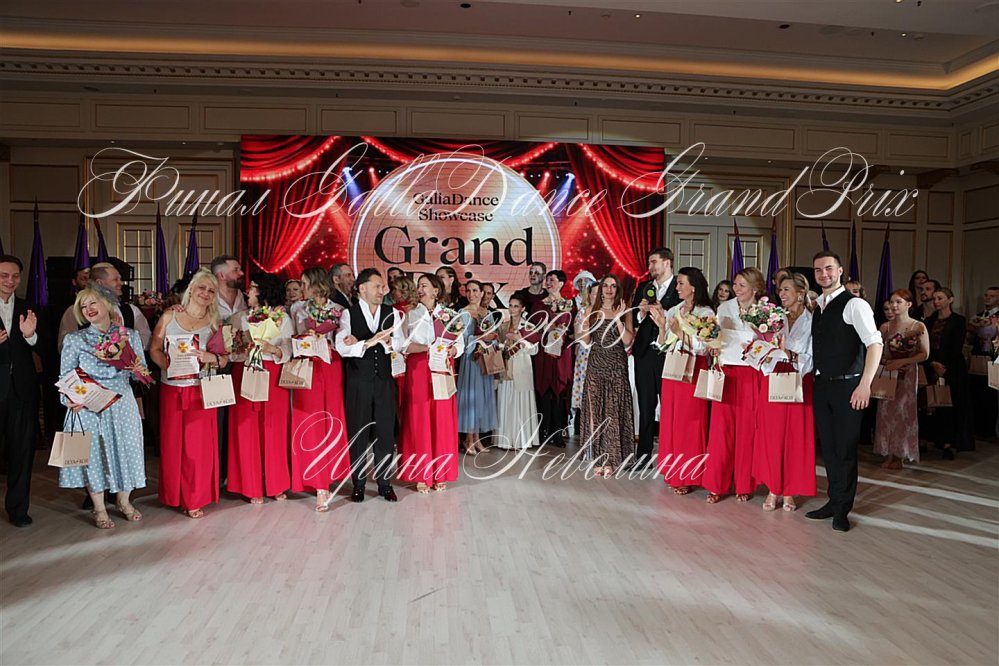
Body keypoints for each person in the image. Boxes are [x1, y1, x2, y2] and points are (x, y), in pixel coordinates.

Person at [806, 251, 883, 533]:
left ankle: (842, 510)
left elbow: (874, 344)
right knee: (829, 448)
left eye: (829, 268)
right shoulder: (819, 306)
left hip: (849, 386)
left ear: (840, 271)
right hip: (823, 385)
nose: (823, 274)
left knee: (846, 449)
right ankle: (833, 501)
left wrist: (865, 384)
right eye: (818, 270)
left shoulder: (855, 304)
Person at [58, 286, 146, 528]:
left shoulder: (130, 335)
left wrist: (133, 366)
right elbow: (65, 376)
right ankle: (99, 508)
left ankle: (124, 501)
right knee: (93, 455)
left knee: (128, 449)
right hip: (89, 405)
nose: (88, 309)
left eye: (93, 303)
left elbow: (140, 375)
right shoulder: (75, 339)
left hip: (122, 402)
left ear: (106, 304)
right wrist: (70, 399)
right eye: (83, 306)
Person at [150, 269, 228, 519]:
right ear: (191, 289)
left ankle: (195, 498)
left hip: (201, 391)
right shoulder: (170, 315)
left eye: (211, 290)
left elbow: (225, 359)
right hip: (172, 389)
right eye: (202, 287)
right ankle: (174, 495)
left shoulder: (216, 322)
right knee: (173, 445)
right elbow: (154, 348)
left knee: (198, 448)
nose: (205, 293)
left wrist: (210, 357)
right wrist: (167, 365)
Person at [335, 268, 407, 503]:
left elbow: (401, 343)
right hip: (358, 381)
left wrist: (387, 341)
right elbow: (342, 346)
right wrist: (368, 342)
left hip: (384, 380)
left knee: (385, 432)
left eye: (382, 287)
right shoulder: (349, 314)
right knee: (358, 432)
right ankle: (358, 484)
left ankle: (385, 483)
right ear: (362, 288)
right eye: (377, 286)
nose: (382, 291)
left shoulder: (391, 313)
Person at [228, 274, 293, 504]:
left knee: (274, 428)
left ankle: (276, 483)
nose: (249, 292)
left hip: (272, 373)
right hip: (245, 370)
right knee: (246, 428)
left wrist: (271, 349)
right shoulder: (240, 318)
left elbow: (288, 349)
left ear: (264, 291)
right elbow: (231, 351)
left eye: (253, 288)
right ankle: (250, 485)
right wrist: (240, 347)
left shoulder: (281, 317)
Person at [753, 273, 816, 511]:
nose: (782, 294)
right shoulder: (774, 318)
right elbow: (762, 345)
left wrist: (790, 355)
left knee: (795, 437)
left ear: (800, 293)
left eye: (786, 289)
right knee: (772, 435)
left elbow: (813, 356)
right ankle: (773, 487)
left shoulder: (812, 320)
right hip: (773, 376)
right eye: (780, 290)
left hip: (799, 378)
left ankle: (790, 489)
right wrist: (759, 350)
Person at [289, 267, 350, 511]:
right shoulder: (298, 309)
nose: (302, 288)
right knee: (309, 420)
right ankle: (316, 482)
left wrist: (327, 339)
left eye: (304, 283)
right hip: (307, 365)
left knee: (331, 418)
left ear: (316, 284)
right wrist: (304, 337)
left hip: (331, 365)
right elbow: (291, 338)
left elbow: (343, 341)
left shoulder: (340, 310)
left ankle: (330, 474)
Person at [702, 267, 765, 504]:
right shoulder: (724, 308)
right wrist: (712, 345)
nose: (736, 289)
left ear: (755, 288)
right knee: (721, 431)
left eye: (741, 285)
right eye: (735, 284)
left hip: (751, 374)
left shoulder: (765, 311)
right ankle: (716, 484)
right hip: (726, 372)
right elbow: (714, 337)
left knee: (747, 431)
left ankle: (744, 484)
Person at [649, 267, 713, 494]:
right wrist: (662, 327)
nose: (677, 288)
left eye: (681, 283)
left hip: (694, 369)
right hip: (673, 367)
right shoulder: (675, 310)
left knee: (690, 421)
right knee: (672, 419)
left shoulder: (706, 312)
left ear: (693, 286)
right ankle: (673, 470)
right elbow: (664, 344)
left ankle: (689, 474)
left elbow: (705, 347)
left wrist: (681, 333)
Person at [397, 274, 463, 492]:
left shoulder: (450, 315)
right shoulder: (410, 314)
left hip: (442, 366)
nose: (420, 289)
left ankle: (440, 472)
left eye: (424, 285)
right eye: (418, 286)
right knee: (419, 417)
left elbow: (460, 344)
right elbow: (402, 345)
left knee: (441, 418)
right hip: (418, 367)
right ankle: (421, 473)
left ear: (436, 290)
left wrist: (453, 350)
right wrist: (427, 348)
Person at [578, 275, 634, 476]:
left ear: (617, 289)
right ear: (600, 289)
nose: (609, 289)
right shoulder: (591, 311)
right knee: (596, 412)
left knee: (613, 412)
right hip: (596, 364)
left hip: (617, 365)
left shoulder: (625, 310)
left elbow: (628, 341)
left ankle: (611, 459)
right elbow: (586, 341)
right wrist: (586, 320)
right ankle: (598, 458)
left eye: (613, 286)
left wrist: (618, 319)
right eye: (606, 286)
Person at [0, 255, 41, 527]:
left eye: (15, 276)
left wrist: (30, 335)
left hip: (23, 391)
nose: (10, 281)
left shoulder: (29, 308)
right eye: (4, 276)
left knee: (22, 452)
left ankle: (18, 509)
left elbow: (44, 345)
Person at [630, 248, 681, 469]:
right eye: (649, 263)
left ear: (667, 262)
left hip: (668, 353)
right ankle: (643, 456)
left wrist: (663, 313)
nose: (650, 267)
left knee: (669, 404)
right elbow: (633, 319)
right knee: (645, 404)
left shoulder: (679, 287)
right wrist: (641, 313)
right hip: (644, 353)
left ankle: (671, 455)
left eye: (654, 262)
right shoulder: (644, 287)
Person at [873, 289, 929, 469]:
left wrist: (903, 361)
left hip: (907, 373)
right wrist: (886, 361)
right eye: (892, 302)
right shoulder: (886, 327)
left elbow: (924, 354)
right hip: (889, 372)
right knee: (885, 412)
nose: (894, 305)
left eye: (898, 302)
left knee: (903, 412)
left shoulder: (918, 326)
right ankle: (888, 452)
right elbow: (877, 351)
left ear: (909, 304)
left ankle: (900, 454)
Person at [924, 287, 974, 458]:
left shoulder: (958, 320)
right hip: (931, 365)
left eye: (940, 298)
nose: (936, 301)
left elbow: (956, 346)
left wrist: (943, 365)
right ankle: (930, 439)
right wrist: (932, 363)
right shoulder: (929, 321)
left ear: (950, 300)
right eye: (935, 298)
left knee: (950, 403)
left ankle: (949, 442)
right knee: (931, 402)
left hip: (952, 367)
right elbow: (925, 345)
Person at [57, 262, 151, 353]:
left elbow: (146, 341)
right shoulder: (75, 311)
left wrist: (121, 343)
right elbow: (64, 347)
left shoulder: (131, 310)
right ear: (100, 283)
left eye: (120, 279)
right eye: (116, 279)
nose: (121, 283)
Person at [532, 270, 576, 448]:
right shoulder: (539, 304)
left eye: (552, 280)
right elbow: (532, 328)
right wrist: (546, 329)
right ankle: (543, 431)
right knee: (544, 391)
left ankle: (558, 432)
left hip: (561, 354)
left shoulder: (569, 305)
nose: (548, 283)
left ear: (561, 283)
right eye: (547, 280)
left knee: (559, 392)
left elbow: (574, 330)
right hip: (544, 353)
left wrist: (564, 332)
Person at [457, 280, 498, 454]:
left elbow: (493, 337)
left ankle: (477, 439)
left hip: (483, 361)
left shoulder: (486, 313)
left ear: (482, 293)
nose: (471, 294)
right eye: (468, 290)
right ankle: (469, 439)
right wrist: (479, 339)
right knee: (471, 400)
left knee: (482, 399)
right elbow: (461, 341)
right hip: (470, 361)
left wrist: (491, 339)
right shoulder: (462, 313)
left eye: (475, 290)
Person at [495, 293, 540, 450]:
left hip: (521, 368)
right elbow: (498, 347)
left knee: (520, 404)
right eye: (510, 305)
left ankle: (522, 439)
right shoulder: (503, 326)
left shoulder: (528, 327)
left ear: (522, 308)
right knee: (505, 402)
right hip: (506, 369)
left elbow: (534, 350)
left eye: (516, 306)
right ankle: (504, 440)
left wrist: (519, 339)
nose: (512, 309)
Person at [969, 286, 999, 438]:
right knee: (977, 392)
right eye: (986, 295)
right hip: (977, 358)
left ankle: (989, 430)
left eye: (992, 296)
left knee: (991, 394)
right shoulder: (978, 316)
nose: (988, 298)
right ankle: (977, 428)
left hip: (994, 359)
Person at [570, 282, 599, 432]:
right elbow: (579, 337)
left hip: (605, 357)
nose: (598, 296)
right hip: (586, 356)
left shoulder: (611, 312)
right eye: (595, 293)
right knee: (587, 394)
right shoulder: (583, 312)